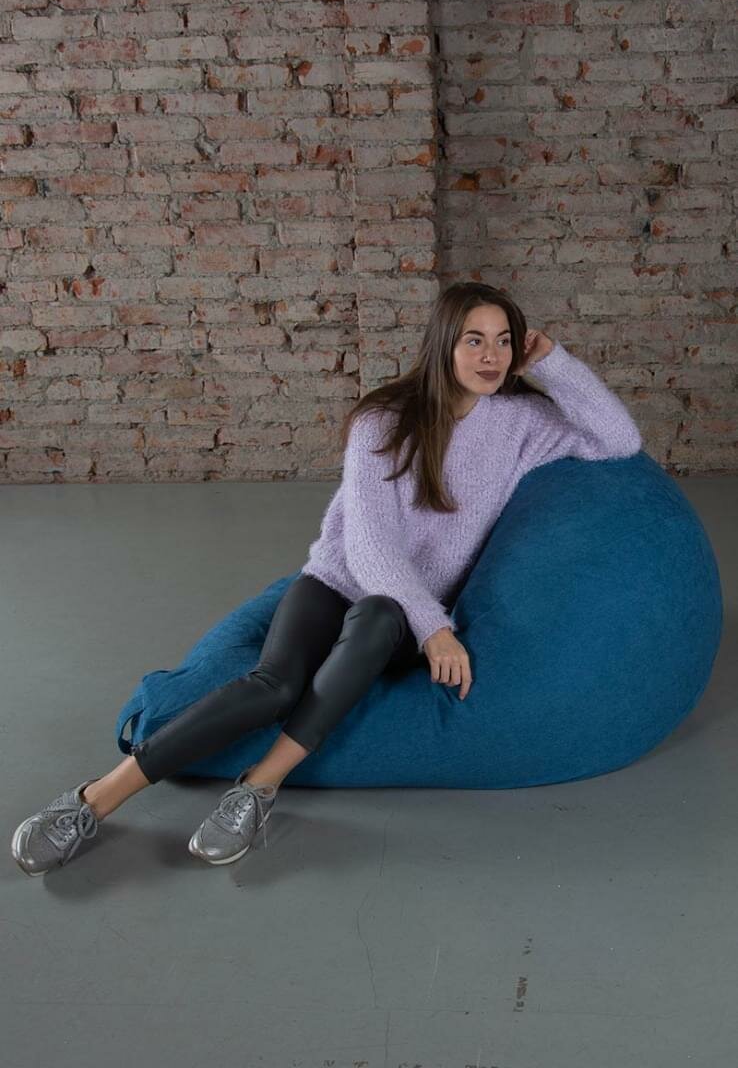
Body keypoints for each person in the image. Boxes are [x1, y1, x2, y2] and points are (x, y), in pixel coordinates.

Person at [11, 281, 642, 876]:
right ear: (443, 345)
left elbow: (620, 439)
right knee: (272, 685)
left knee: (377, 617)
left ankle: (259, 787)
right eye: (473, 340)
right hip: (338, 581)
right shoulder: (383, 421)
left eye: (503, 340)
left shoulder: (521, 424)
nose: (491, 356)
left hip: (397, 615)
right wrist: (437, 630)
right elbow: (368, 548)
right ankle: (94, 799)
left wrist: (553, 361)